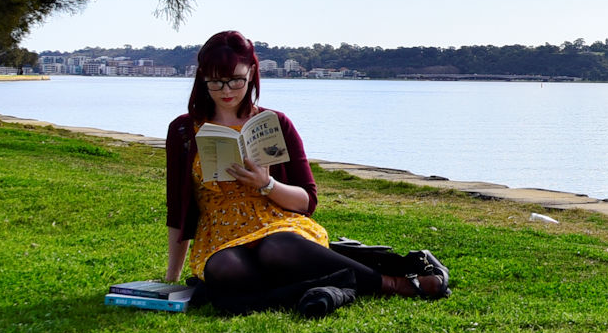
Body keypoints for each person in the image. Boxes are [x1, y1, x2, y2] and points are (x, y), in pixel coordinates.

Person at [163, 31, 447, 317]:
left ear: (251, 72)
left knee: (277, 249)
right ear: (202, 78)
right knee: (225, 271)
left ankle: (392, 284)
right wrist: (171, 278)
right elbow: (177, 209)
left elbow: (307, 201)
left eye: (236, 80)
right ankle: (319, 284)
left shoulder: (275, 124)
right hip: (221, 237)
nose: (227, 90)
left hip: (275, 225)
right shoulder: (184, 131)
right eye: (215, 81)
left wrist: (267, 184)